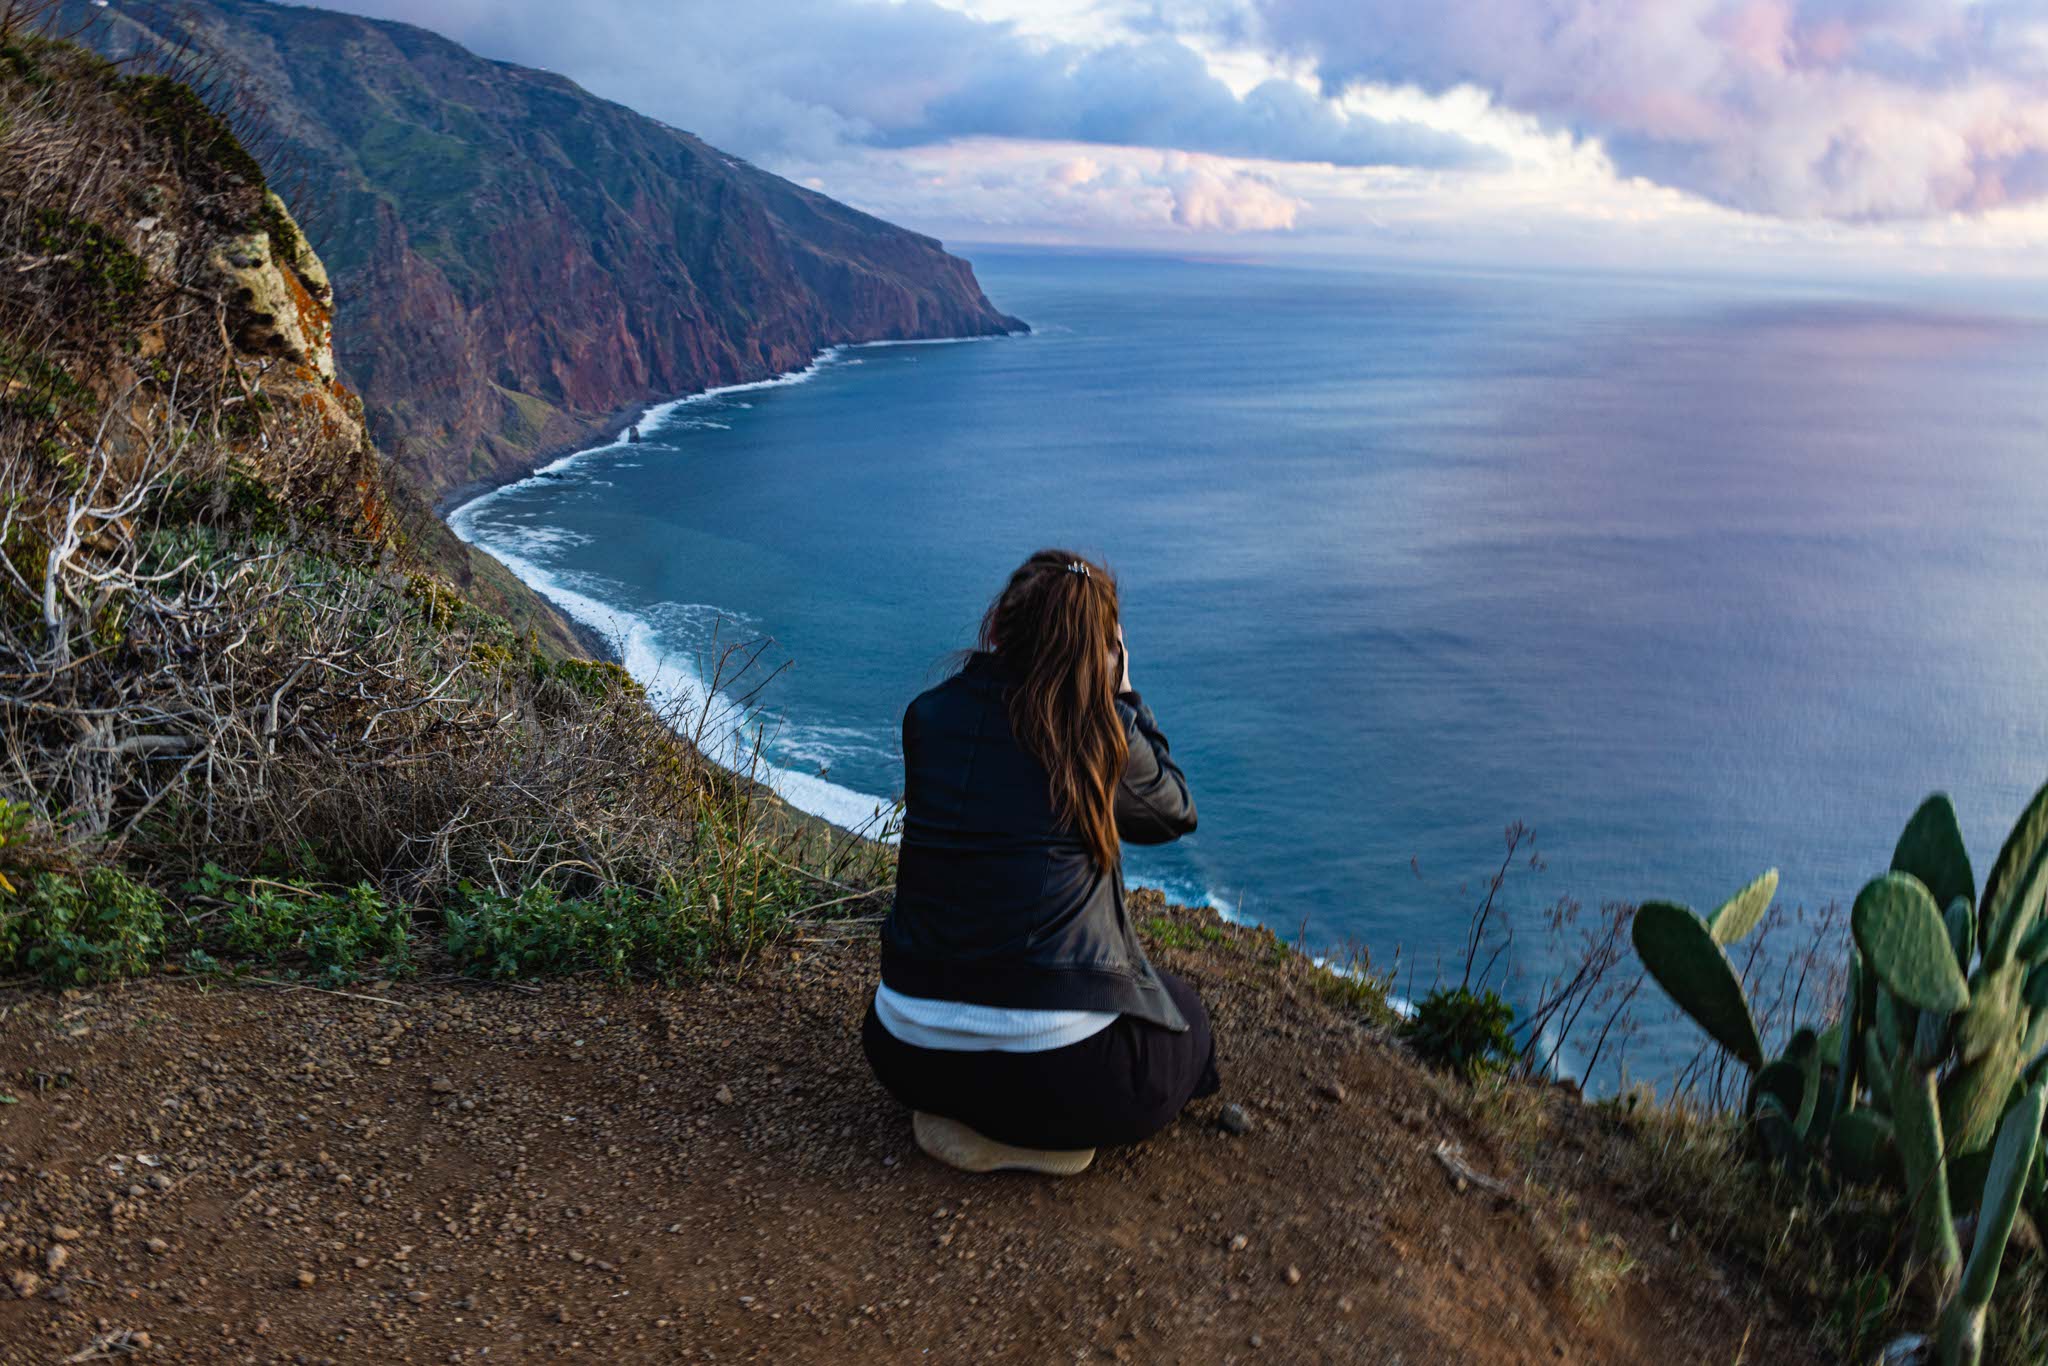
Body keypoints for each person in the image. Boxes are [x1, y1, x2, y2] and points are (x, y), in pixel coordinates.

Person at [862, 548, 1219, 1175]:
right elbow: (1172, 811)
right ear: (1104, 650)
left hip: (902, 1049)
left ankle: (968, 1115)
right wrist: (1127, 697)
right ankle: (1026, 1138)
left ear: (998, 626)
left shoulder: (929, 715)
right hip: (1067, 1079)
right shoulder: (1100, 728)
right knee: (1185, 1014)